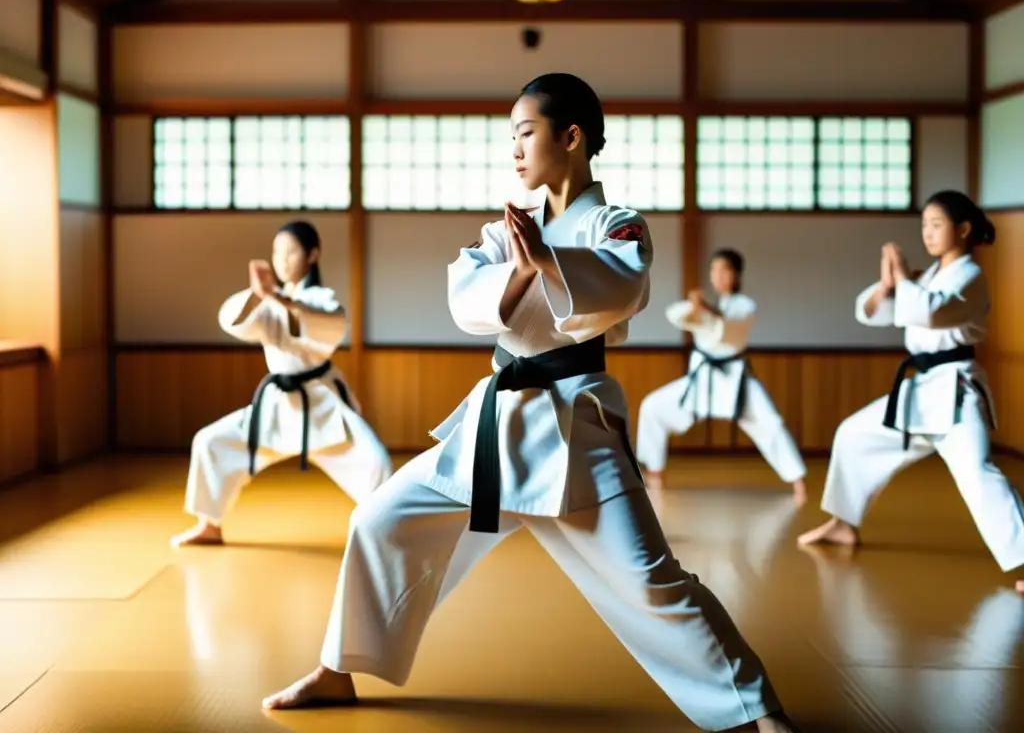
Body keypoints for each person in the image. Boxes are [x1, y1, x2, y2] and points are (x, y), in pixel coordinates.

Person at [261, 74, 798, 733]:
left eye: (525, 133)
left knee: (651, 579)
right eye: (510, 136)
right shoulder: (503, 230)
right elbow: (466, 297)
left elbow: (621, 289)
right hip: (496, 424)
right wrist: (521, 265)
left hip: (577, 427)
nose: (514, 149)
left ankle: (756, 709)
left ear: (570, 137)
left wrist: (548, 260)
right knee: (378, 520)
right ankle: (338, 668)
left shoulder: (617, 225)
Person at [797, 191, 1024, 596]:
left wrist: (903, 279)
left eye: (937, 224)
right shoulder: (929, 277)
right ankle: (844, 522)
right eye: (925, 225)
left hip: (956, 392)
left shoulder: (971, 276)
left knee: (977, 473)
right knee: (853, 434)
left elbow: (931, 312)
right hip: (921, 390)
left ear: (964, 229)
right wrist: (888, 285)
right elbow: (872, 312)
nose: (928, 232)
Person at [170, 220, 392, 547]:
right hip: (277, 405)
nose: (282, 260)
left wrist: (282, 302)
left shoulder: (320, 299)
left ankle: (385, 530)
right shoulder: (269, 300)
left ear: (313, 255)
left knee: (375, 463)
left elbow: (326, 328)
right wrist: (261, 295)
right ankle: (209, 524)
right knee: (211, 441)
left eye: (291, 252)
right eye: (277, 252)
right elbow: (235, 321)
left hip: (319, 403)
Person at [635, 249, 807, 502]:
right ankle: (655, 473)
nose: (718, 275)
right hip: (702, 380)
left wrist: (703, 308)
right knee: (653, 407)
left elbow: (728, 324)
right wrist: (696, 310)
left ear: (736, 275)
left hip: (735, 380)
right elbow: (677, 315)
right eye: (714, 270)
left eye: (724, 270)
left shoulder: (744, 305)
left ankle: (798, 481)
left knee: (771, 423)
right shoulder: (706, 308)